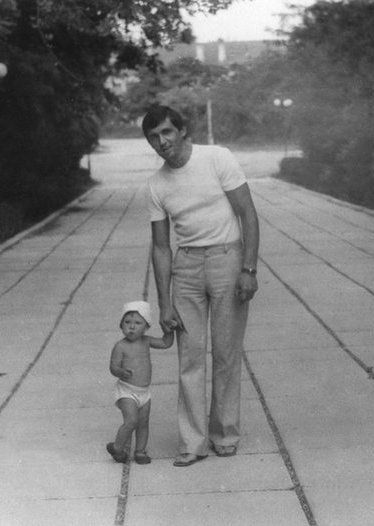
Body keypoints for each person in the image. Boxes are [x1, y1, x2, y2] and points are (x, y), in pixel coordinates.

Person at [143, 105, 260, 467]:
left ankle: (224, 434)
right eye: (153, 137)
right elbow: (161, 247)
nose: (162, 142)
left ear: (181, 130)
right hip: (187, 268)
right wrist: (164, 303)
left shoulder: (217, 158)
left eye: (166, 132)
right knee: (190, 357)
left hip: (228, 260)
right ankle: (193, 442)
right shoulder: (156, 185)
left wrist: (249, 268)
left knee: (226, 353)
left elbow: (247, 214)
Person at [107, 300, 174, 464]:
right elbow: (113, 367)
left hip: (144, 392)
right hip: (127, 390)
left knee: (143, 422)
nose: (131, 327)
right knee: (131, 421)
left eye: (138, 323)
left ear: (146, 326)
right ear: (121, 325)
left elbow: (166, 343)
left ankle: (140, 451)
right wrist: (120, 372)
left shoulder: (146, 341)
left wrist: (169, 331)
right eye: (127, 322)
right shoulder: (120, 346)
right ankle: (117, 447)